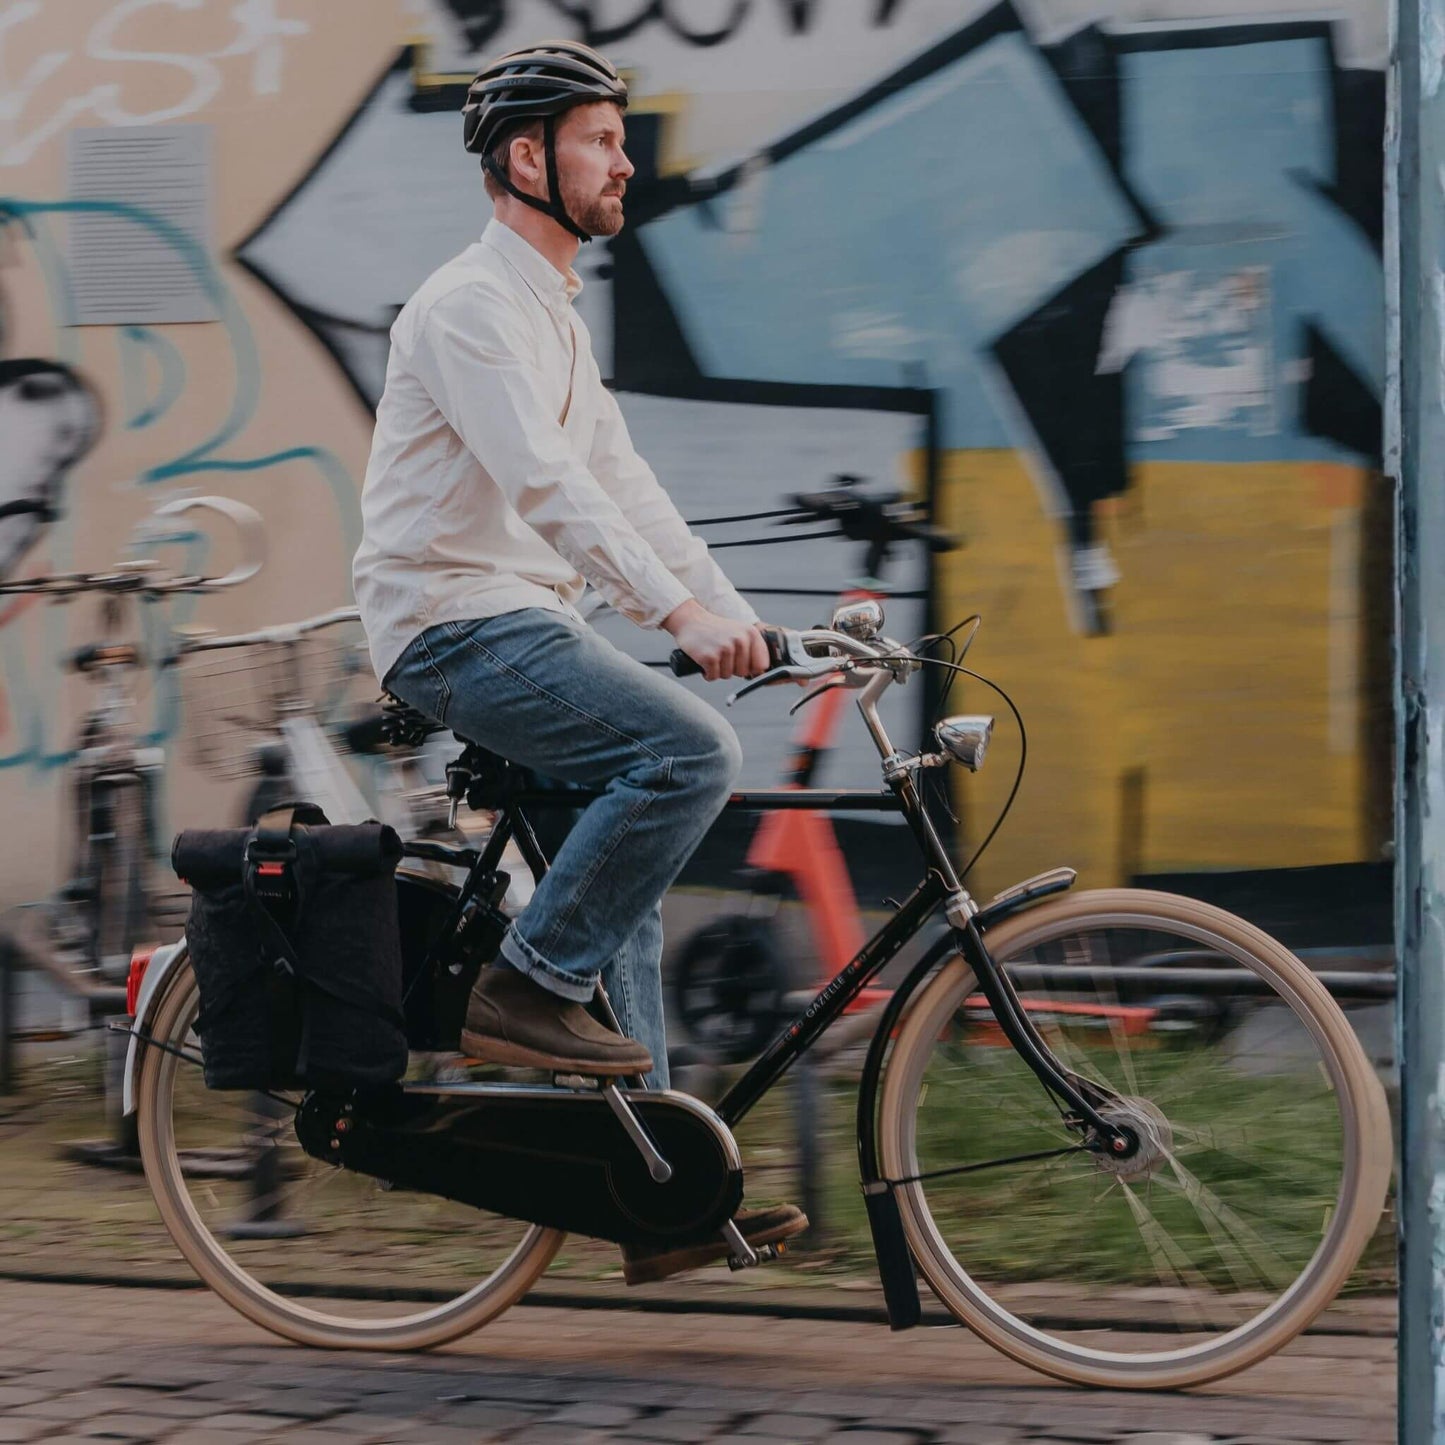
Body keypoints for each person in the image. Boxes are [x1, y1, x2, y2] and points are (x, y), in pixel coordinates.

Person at [352, 39, 807, 1281]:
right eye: (601, 140)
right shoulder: (466, 307)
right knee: (687, 753)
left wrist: (746, 623)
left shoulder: (549, 314)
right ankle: (522, 984)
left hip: (521, 619)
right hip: (452, 623)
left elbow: (626, 487)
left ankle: (652, 1195)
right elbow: (546, 486)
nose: (625, 161)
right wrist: (675, 618)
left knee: (625, 896)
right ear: (526, 156)